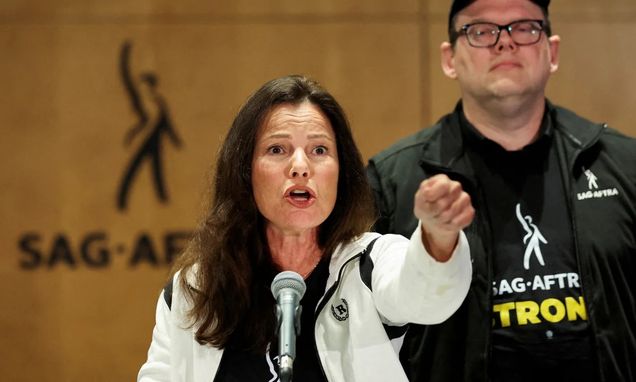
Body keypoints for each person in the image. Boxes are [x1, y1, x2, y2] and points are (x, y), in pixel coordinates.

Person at [137, 75, 474, 382]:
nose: (300, 166)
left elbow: (427, 297)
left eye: (319, 150)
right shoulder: (194, 289)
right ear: (245, 171)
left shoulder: (368, 266)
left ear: (340, 172)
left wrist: (438, 235)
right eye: (277, 149)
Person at [367, 0, 636, 381]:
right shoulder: (392, 181)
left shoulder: (625, 166)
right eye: (480, 31)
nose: (505, 42)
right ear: (450, 59)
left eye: (525, 27)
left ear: (552, 51)